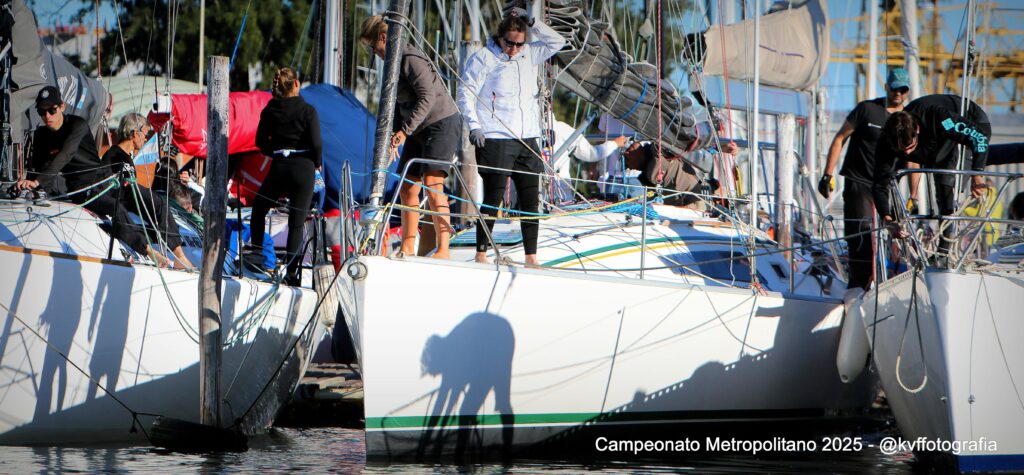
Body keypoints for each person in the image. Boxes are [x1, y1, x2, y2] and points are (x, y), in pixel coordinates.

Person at [14, 86, 180, 268]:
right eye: (41, 112)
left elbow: (67, 153)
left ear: (61, 107)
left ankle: (180, 256)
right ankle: (149, 251)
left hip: (103, 181)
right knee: (117, 208)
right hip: (82, 189)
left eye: (52, 110)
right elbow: (39, 166)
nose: (47, 116)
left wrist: (38, 181)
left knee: (156, 201)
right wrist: (32, 184)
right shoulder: (41, 135)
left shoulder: (77, 125)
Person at [457, 6, 566, 265]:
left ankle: (531, 257)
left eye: (519, 43)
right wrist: (474, 126)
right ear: (500, 37)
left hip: (527, 137)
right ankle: (481, 253)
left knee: (530, 200)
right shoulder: (484, 58)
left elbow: (557, 42)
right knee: (493, 198)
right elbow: (465, 93)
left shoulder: (530, 53)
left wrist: (533, 22)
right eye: (509, 43)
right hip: (495, 136)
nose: (514, 49)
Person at [360, 15, 462, 259]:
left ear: (383, 38)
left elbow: (427, 97)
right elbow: (398, 104)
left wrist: (405, 131)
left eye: (374, 47)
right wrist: (396, 135)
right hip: (417, 128)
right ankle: (407, 246)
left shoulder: (409, 58)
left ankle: (444, 249)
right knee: (407, 187)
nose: (374, 53)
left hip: (441, 123)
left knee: (433, 184)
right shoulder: (392, 65)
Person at [818, 67, 912, 290]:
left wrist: (914, 195)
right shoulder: (867, 109)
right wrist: (827, 174)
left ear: (907, 91)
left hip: (887, 186)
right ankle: (858, 286)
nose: (898, 93)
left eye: (902, 89)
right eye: (894, 88)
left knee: (899, 234)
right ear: (886, 87)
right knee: (861, 235)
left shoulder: (907, 118)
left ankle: (894, 285)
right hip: (859, 181)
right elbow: (840, 138)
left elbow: (913, 159)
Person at [872, 94, 992, 259]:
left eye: (910, 147)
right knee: (897, 171)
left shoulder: (941, 120)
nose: (908, 153)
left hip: (970, 121)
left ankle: (944, 253)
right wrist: (888, 220)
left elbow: (979, 137)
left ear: (917, 130)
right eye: (902, 150)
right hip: (932, 143)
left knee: (945, 181)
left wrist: (977, 174)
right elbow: (879, 183)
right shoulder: (886, 141)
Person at [250, 67, 322, 286]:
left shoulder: (270, 109)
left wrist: (274, 151)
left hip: (279, 167)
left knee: (259, 209)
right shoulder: (308, 110)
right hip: (303, 168)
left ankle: (257, 258)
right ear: (296, 84)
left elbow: (260, 141)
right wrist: (317, 162)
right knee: (296, 223)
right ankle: (292, 274)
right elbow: (316, 144)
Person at [102, 113, 194, 268]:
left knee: (160, 208)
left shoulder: (125, 157)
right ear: (134, 134)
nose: (145, 139)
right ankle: (180, 257)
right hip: (121, 196)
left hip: (127, 197)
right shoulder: (113, 155)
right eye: (145, 134)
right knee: (159, 203)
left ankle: (173, 254)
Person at [621, 140, 735, 207]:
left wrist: (720, 148)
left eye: (627, 159)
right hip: (686, 208)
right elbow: (648, 201)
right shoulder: (644, 179)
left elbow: (693, 149)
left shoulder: (659, 149)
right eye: (626, 163)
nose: (627, 154)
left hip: (698, 201)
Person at [548, 120, 626, 201]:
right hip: (561, 194)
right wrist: (615, 144)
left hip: (545, 194)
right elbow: (591, 154)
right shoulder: (562, 129)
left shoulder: (552, 130)